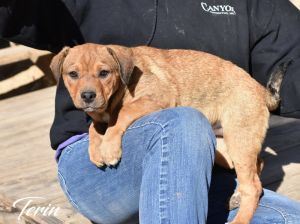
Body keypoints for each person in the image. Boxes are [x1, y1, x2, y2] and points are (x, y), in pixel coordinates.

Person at [1, 0, 300, 223]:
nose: (87, 86)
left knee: (289, 218)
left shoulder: (254, 5)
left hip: (200, 172)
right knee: (184, 121)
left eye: (103, 73)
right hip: (97, 172)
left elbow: (293, 58)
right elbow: (15, 15)